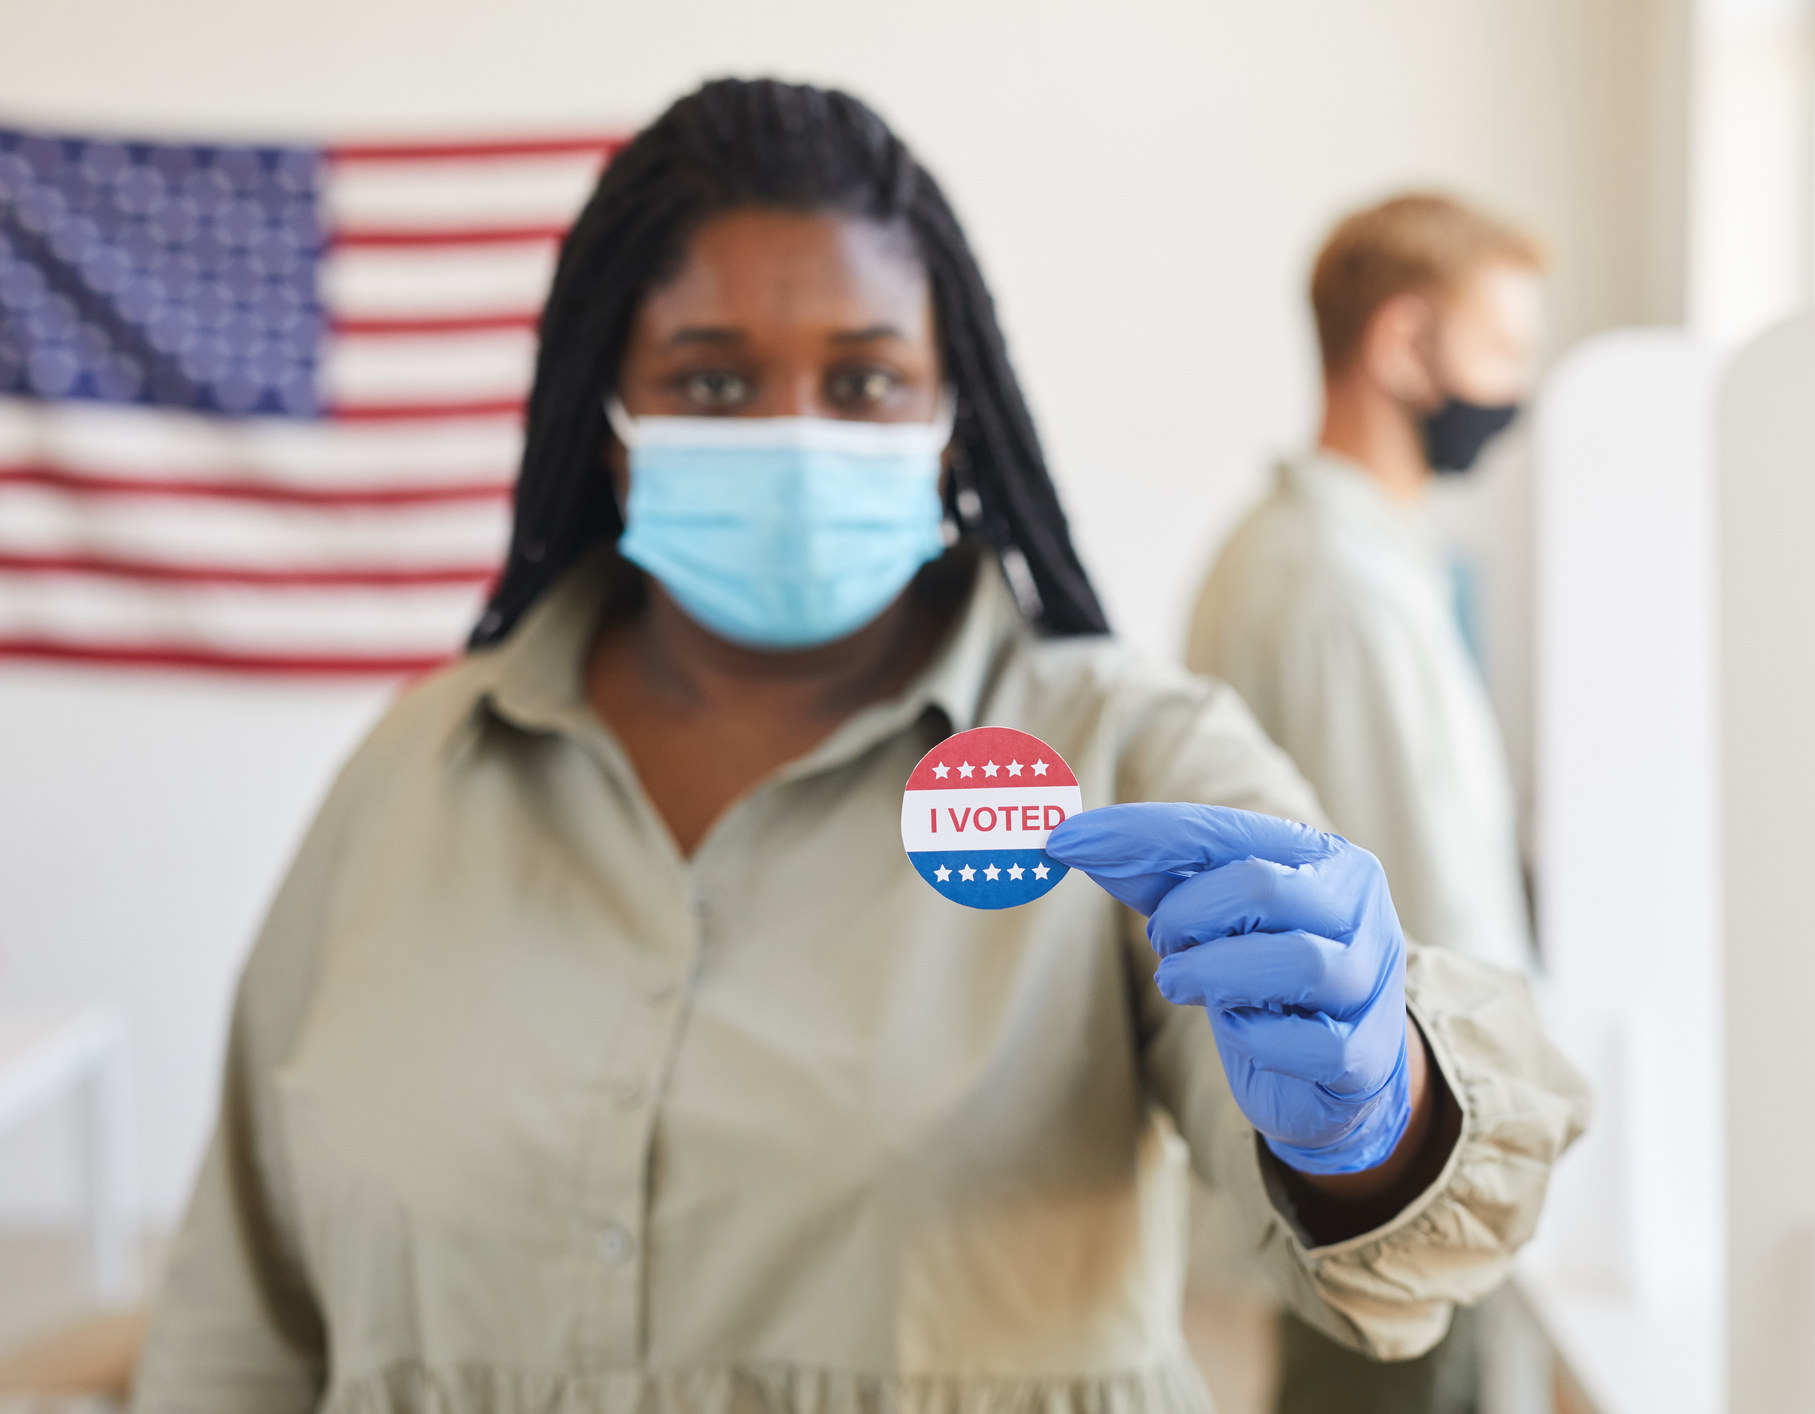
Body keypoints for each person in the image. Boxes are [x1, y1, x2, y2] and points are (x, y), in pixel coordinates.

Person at [133, 86, 1585, 1414]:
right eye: (710, 382)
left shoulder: (1129, 750)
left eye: (864, 381)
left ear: (955, 422)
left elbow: (1398, 1244)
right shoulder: (412, 773)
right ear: (610, 419)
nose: (793, 436)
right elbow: (236, 1321)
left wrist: (1375, 1116)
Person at [1188, 195, 1550, 1412]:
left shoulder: (1327, 554)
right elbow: (1420, 914)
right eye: (1502, 350)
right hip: (1404, 1176)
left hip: (1377, 1172)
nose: (1518, 389)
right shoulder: (1334, 587)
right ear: (1404, 346)